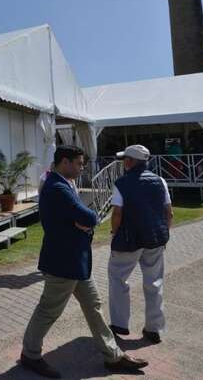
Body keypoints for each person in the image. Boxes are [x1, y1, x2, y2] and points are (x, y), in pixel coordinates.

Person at [20, 145, 148, 378]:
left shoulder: (61, 183)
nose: (82, 168)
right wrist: (83, 220)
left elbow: (84, 218)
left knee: (93, 305)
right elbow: (90, 216)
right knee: (48, 310)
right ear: (65, 162)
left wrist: (82, 221)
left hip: (76, 261)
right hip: (64, 262)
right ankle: (30, 354)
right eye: (79, 163)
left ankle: (113, 356)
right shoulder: (57, 187)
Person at [107, 145, 173, 345]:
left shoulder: (122, 183)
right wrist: (165, 234)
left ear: (130, 161)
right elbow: (168, 212)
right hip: (155, 239)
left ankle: (119, 324)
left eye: (124, 159)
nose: (123, 163)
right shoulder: (160, 181)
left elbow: (117, 214)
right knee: (154, 282)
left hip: (129, 239)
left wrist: (113, 233)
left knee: (118, 279)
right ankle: (154, 328)